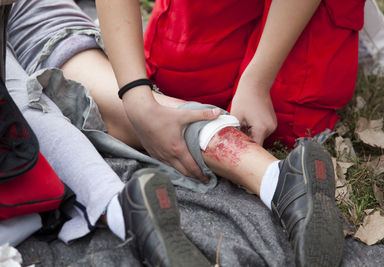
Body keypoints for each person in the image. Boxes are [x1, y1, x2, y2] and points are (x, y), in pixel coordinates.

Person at [7, 0, 344, 266]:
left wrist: (139, 100)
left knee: (34, 101)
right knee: (89, 90)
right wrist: (139, 99)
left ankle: (122, 209)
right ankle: (276, 177)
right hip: (44, 22)